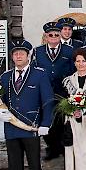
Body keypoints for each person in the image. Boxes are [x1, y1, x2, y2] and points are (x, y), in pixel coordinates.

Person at [0, 40, 53, 170]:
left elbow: (48, 101)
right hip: (11, 128)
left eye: (22, 53)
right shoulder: (5, 77)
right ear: (12, 57)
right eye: (15, 53)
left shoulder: (39, 75)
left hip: (31, 128)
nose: (18, 56)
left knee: (35, 167)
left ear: (29, 55)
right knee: (14, 168)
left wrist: (45, 123)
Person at [32, 21, 74, 160]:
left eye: (57, 34)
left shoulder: (69, 51)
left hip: (63, 91)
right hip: (45, 92)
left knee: (61, 120)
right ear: (46, 36)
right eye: (51, 35)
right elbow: (34, 70)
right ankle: (51, 147)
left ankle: (61, 147)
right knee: (47, 120)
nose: (54, 37)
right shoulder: (38, 51)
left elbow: (73, 70)